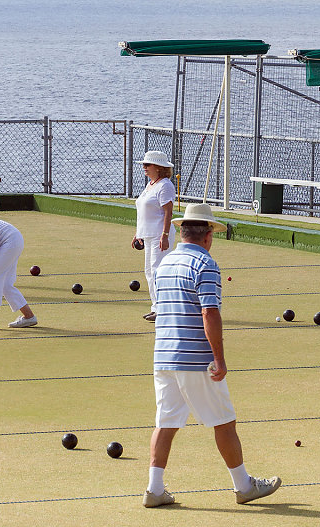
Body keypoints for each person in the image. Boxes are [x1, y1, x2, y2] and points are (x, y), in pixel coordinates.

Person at [142, 203, 280, 508]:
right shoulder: (205, 265)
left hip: (163, 356)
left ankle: (154, 489)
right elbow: (209, 313)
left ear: (182, 233)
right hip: (195, 359)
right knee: (224, 421)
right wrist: (219, 358)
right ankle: (243, 486)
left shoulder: (164, 264)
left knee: (165, 423)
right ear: (208, 236)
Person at [133, 150, 177, 322]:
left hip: (159, 234)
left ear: (158, 167)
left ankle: (164, 309)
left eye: (147, 164)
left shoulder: (165, 185)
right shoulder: (151, 184)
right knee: (149, 272)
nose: (144, 167)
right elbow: (144, 212)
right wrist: (138, 234)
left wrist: (164, 235)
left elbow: (168, 212)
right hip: (148, 234)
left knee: (158, 271)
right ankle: (156, 307)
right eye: (144, 164)